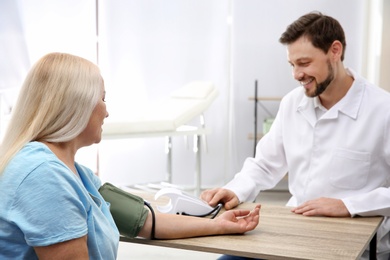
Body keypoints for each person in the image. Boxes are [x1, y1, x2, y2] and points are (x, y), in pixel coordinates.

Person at [0, 52, 261, 259]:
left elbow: (145, 221)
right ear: (76, 104)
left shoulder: (77, 174)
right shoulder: (43, 178)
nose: (107, 112)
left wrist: (220, 225)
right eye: (103, 99)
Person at [201, 11, 390, 260]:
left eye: (304, 63)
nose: (296, 74)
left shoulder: (383, 110)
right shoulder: (292, 103)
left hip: (356, 246)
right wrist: (235, 190)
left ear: (335, 51)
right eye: (292, 65)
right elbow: (265, 165)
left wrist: (348, 205)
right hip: (296, 234)